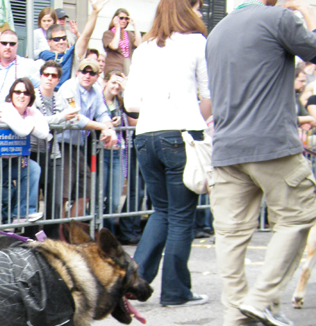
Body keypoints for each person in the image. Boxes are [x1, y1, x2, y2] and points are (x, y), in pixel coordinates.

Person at [207, 0, 316, 326]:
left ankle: (236, 313)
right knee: (300, 213)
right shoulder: (279, 18)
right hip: (269, 142)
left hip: (226, 146)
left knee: (231, 234)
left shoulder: (218, 30)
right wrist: (305, 13)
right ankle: (261, 299)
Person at [123, 0, 210, 308]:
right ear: (188, 9)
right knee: (182, 216)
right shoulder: (197, 42)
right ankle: (176, 292)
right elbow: (209, 95)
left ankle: (134, 282)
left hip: (146, 134)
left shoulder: (143, 49)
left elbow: (131, 104)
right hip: (181, 133)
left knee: (161, 212)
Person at [0, 78, 48, 235]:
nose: (21, 96)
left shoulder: (31, 111)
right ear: (11, 94)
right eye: (17, 92)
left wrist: (28, 121)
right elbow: (22, 131)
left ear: (31, 97)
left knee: (32, 168)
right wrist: (29, 122)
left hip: (7, 160)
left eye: (26, 93)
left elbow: (45, 133)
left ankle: (22, 213)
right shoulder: (6, 108)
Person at [55, 58, 118, 218]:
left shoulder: (96, 90)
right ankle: (60, 233)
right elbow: (76, 118)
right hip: (62, 144)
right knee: (64, 193)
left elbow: (103, 113)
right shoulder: (69, 87)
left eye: (92, 73)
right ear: (78, 73)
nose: (87, 75)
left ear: (98, 77)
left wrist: (110, 130)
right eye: (84, 71)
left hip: (78, 145)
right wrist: (103, 127)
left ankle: (72, 230)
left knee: (87, 189)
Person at [31, 60, 80, 240]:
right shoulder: (32, 96)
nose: (49, 79)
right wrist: (61, 118)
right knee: (33, 202)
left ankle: (51, 240)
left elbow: (70, 120)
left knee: (55, 202)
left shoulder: (60, 97)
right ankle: (32, 239)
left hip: (54, 152)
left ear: (58, 79)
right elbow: (38, 121)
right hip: (34, 152)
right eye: (46, 75)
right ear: (41, 76)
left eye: (54, 76)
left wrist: (67, 118)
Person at [37, 0, 108, 85]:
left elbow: (85, 37)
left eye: (64, 38)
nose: (61, 42)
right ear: (49, 42)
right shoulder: (41, 60)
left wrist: (94, 12)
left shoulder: (72, 55)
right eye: (57, 39)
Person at [100, 69, 128, 235]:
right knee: (98, 196)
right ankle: (97, 232)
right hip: (101, 152)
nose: (116, 86)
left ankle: (108, 235)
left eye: (119, 83)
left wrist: (121, 120)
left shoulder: (122, 102)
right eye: (113, 82)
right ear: (105, 82)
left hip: (118, 152)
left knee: (114, 199)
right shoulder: (98, 99)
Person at [0, 29, 40, 107]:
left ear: (17, 46)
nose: (8, 47)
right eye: (4, 43)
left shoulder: (28, 65)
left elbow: (40, 93)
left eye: (12, 44)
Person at [102, 8, 142, 75]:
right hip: (113, 68)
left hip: (126, 68)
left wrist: (135, 26)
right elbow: (114, 46)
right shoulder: (108, 33)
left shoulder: (128, 34)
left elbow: (138, 44)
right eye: (121, 18)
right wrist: (117, 27)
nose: (124, 20)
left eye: (126, 19)